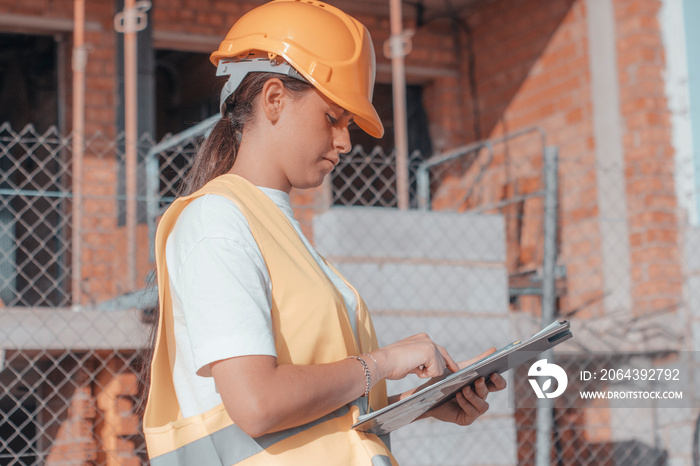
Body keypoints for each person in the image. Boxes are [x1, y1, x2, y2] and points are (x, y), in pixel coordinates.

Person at [142, 1, 506, 464]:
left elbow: (315, 426)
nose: (345, 142)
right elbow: (257, 405)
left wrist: (423, 407)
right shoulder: (217, 220)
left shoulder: (275, 230)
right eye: (333, 118)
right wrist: (384, 362)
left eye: (348, 125)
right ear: (274, 99)